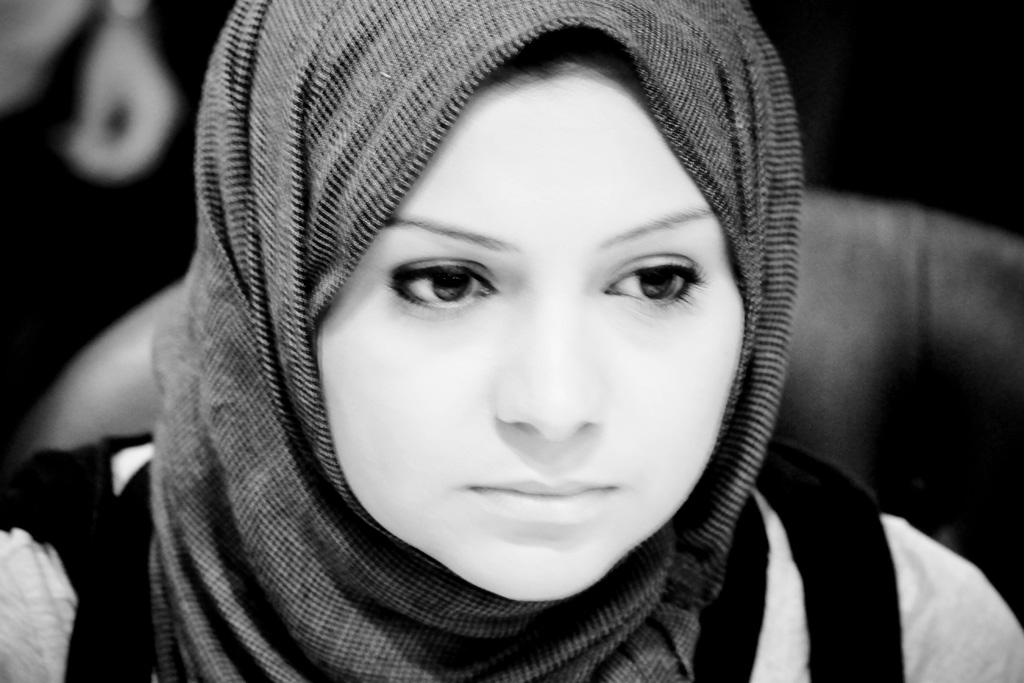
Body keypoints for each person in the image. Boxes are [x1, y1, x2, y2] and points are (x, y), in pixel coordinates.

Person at [2, 0, 1023, 681]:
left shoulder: (904, 630)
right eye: (445, 282)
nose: (555, 405)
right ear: (269, 293)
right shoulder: (34, 623)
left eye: (656, 280)